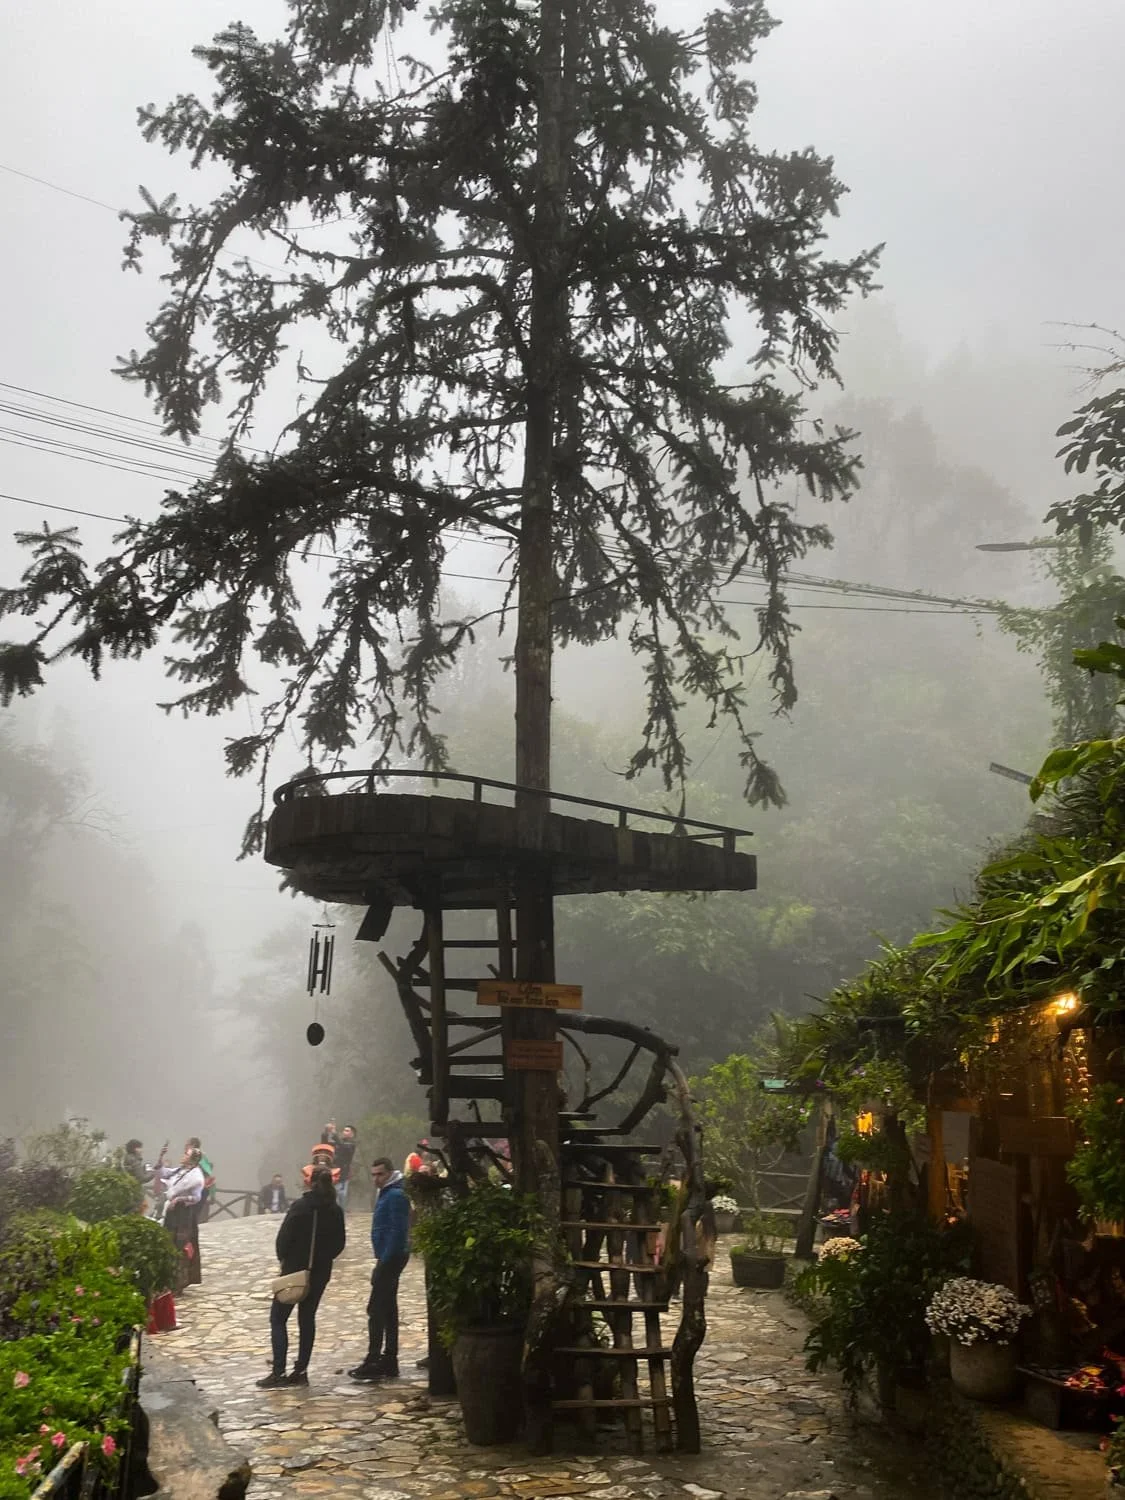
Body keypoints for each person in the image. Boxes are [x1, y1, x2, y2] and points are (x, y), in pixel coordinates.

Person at [258, 1166, 346, 1388]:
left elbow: (283, 1240)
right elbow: (339, 1244)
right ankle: (301, 1371)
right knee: (307, 1319)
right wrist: (322, 1260)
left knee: (278, 1319)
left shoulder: (300, 1207)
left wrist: (287, 1260)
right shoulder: (335, 1210)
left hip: (294, 1271)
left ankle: (278, 1372)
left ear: (309, 1182)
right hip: (320, 1272)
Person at [348, 1157, 410, 1382]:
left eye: (380, 1174)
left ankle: (374, 1359)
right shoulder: (387, 1192)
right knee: (388, 1308)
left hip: (391, 1258)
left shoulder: (395, 1195)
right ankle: (389, 1359)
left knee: (375, 1309)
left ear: (390, 1173)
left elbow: (398, 1230)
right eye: (373, 1175)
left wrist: (384, 1260)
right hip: (388, 1255)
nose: (376, 1178)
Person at [156, 1147, 205, 1291]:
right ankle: (168, 1279)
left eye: (186, 1154)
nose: (183, 1156)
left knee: (181, 1246)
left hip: (184, 1215)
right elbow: (163, 1172)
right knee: (168, 1243)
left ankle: (179, 1282)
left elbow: (196, 1197)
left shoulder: (196, 1176)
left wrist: (179, 1199)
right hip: (173, 1213)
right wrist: (161, 1156)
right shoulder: (180, 1170)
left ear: (192, 1159)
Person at [187, 1137, 216, 1223]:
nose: (185, 1146)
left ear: (193, 1145)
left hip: (200, 1189)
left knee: (193, 1215)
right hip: (192, 1189)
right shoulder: (190, 1156)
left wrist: (212, 1194)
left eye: (187, 1144)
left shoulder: (200, 1156)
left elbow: (209, 1174)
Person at [335, 1126, 357, 1208]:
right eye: (344, 1130)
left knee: (341, 1195)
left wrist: (334, 1135)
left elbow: (344, 1149)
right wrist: (326, 1133)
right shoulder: (339, 1143)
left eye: (347, 1131)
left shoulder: (351, 1145)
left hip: (343, 1175)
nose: (344, 1132)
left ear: (352, 1134)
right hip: (335, 1173)